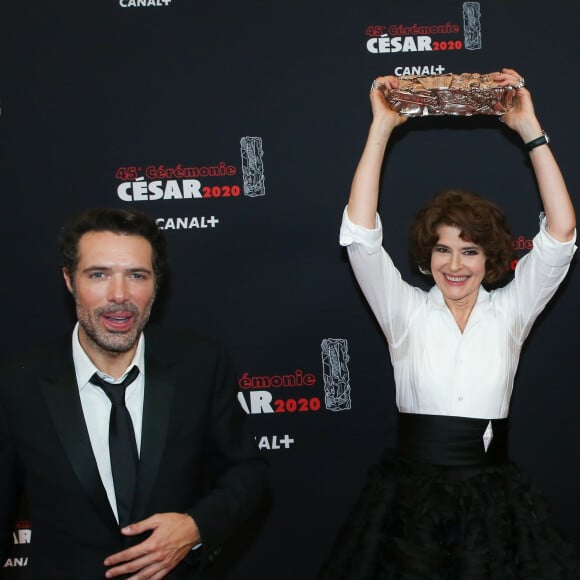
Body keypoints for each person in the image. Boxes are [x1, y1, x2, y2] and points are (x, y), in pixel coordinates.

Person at [320, 69, 580, 579]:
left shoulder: (511, 311)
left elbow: (562, 231)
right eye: (443, 249)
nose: (455, 264)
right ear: (426, 255)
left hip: (494, 504)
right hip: (409, 505)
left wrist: (530, 129)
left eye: (470, 250)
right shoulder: (404, 313)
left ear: (491, 258)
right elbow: (360, 236)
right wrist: (382, 128)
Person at [0, 208, 267, 579]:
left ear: (156, 284)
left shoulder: (200, 366)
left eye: (136, 275)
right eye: (98, 275)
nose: (120, 295)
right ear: (69, 280)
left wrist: (196, 527)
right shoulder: (16, 384)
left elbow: (246, 471)